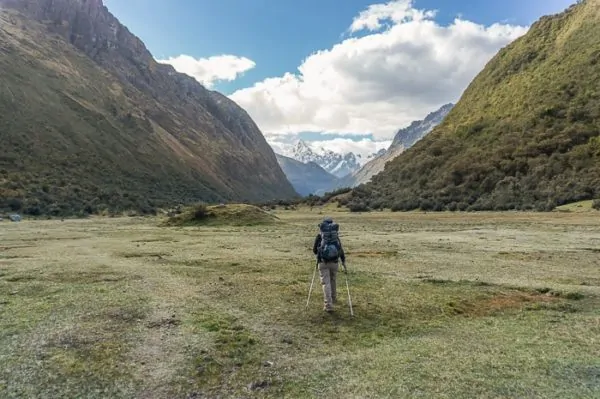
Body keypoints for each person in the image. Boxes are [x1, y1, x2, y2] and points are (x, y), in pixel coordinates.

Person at [312, 216, 346, 312]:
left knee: (325, 283)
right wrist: (343, 261)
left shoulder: (320, 236)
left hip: (323, 262)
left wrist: (319, 252)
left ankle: (328, 305)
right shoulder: (335, 237)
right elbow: (340, 250)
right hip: (334, 262)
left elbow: (314, 251)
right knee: (333, 280)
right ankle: (333, 298)